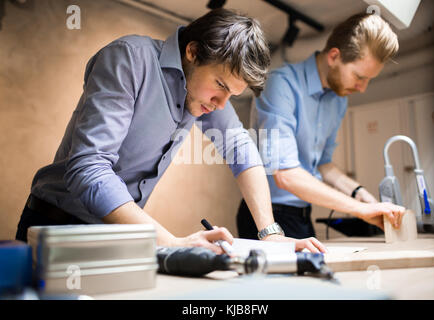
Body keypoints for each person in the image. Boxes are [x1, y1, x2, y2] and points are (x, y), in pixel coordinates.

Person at [16, 9, 327, 254]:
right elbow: (89, 169)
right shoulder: (128, 58)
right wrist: (170, 241)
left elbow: (241, 149)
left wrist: (270, 234)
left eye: (232, 94)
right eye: (220, 85)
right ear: (192, 52)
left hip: (116, 234)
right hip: (56, 226)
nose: (221, 105)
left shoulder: (201, 94)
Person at [237, 12, 406, 240]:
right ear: (334, 56)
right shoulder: (281, 85)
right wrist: (360, 210)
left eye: (368, 80)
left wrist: (360, 194)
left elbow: (323, 164)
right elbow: (285, 175)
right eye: (359, 76)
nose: (362, 88)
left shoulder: (338, 100)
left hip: (301, 215)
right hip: (265, 214)